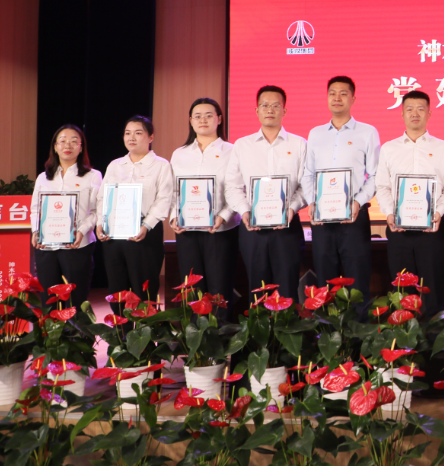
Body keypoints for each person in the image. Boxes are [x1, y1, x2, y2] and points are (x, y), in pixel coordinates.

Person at [301, 76, 381, 309]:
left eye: (343, 93)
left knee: (358, 280)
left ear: (353, 99)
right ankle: (328, 328)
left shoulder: (367, 132)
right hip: (322, 219)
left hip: (354, 217)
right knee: (325, 281)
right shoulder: (315, 134)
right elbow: (308, 174)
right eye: (332, 93)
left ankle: (358, 331)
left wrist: (358, 201)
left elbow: (375, 175)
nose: (337, 98)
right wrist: (313, 201)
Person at [374, 90, 444, 319]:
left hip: (432, 230)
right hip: (399, 230)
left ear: (429, 113)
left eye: (420, 109)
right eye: (409, 109)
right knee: (402, 291)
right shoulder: (389, 148)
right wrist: (390, 213)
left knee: (434, 288)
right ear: (402, 114)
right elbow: (383, 187)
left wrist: (439, 211)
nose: (415, 113)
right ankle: (405, 338)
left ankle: (435, 338)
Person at [224, 85, 308, 302]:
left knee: (287, 289)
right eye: (264, 105)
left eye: (275, 105)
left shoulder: (299, 144)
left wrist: (292, 208)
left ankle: (286, 325)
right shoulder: (242, 145)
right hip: (253, 229)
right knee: (258, 290)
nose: (270, 110)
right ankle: (259, 326)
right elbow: (232, 186)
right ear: (257, 110)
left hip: (287, 228)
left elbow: (307, 185)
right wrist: (245, 211)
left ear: (284, 110)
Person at [169, 98, 240, 319]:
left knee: (220, 288)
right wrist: (174, 217)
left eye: (209, 115)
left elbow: (238, 189)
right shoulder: (180, 153)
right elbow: (173, 191)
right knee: (192, 289)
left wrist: (223, 216)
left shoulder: (232, 151)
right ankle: (196, 338)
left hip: (221, 230)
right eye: (197, 116)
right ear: (190, 121)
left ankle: (219, 337)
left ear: (219, 119)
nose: (203, 120)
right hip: (187, 231)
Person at [96, 116, 174, 305]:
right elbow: (102, 197)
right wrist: (100, 223)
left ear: (150, 137)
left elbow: (164, 199)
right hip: (114, 232)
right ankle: (120, 324)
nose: (131, 137)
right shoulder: (115, 165)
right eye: (127, 133)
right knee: (117, 288)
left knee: (144, 288)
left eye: (138, 133)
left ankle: (145, 324)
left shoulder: (161, 165)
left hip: (145, 232)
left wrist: (146, 225)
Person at [30, 125, 101, 304]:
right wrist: (36, 230)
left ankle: (76, 325)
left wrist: (82, 230)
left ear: (81, 147)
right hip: (46, 246)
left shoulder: (93, 176)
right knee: (48, 299)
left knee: (76, 299)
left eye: (74, 141)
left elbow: (96, 211)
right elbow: (36, 209)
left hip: (77, 245)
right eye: (62, 141)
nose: (67, 145)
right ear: (55, 147)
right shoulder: (43, 177)